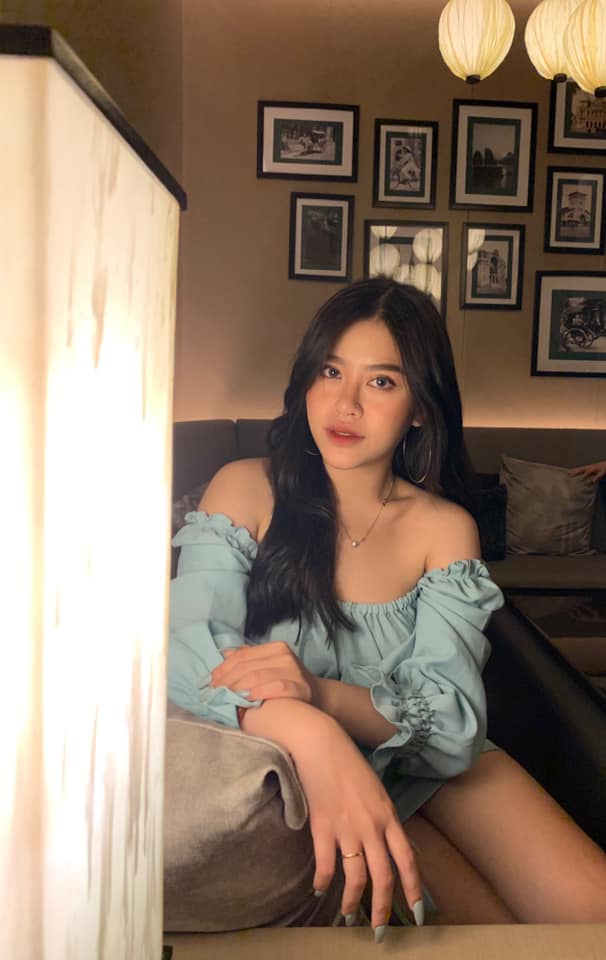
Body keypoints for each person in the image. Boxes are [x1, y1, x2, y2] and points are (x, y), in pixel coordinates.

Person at [168, 278, 606, 939]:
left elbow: (451, 726)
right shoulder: (246, 488)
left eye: (381, 382)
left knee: (591, 916)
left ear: (421, 408)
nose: (345, 403)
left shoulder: (443, 527)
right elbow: (186, 648)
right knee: (488, 938)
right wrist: (309, 730)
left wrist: (320, 694)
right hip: (305, 762)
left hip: (425, 760)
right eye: (330, 371)